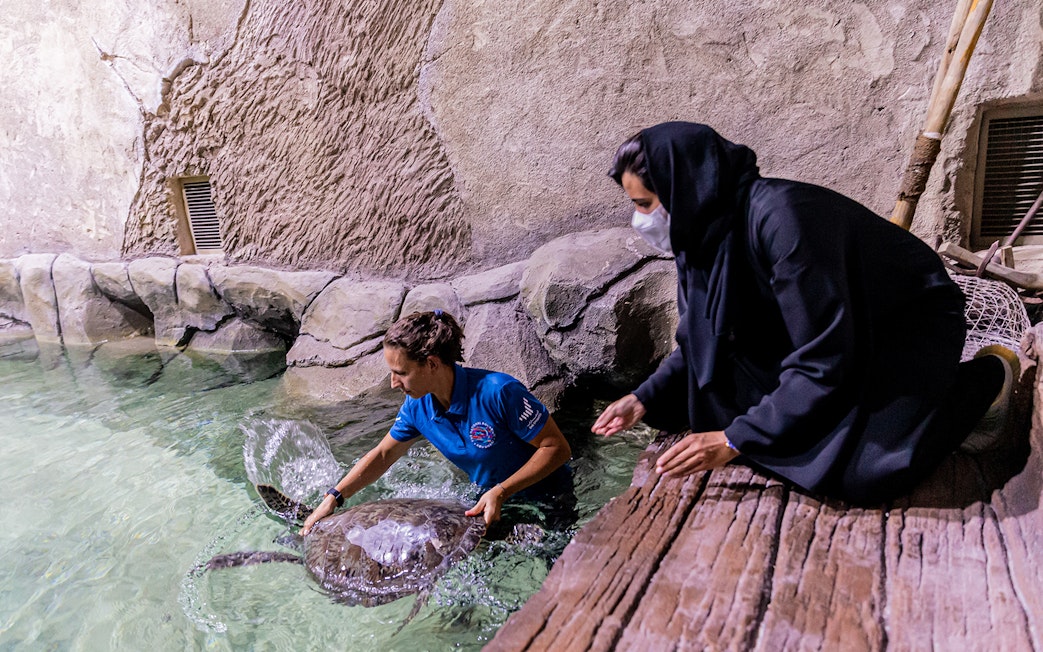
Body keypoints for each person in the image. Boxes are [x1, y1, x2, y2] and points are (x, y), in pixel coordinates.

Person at [592, 121, 1013, 505]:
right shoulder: (702, 234)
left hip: (900, 327)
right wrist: (643, 397)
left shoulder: (784, 221)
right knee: (707, 399)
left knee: (868, 474)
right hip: (831, 328)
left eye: (645, 204)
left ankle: (987, 378)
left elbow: (824, 358)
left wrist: (734, 439)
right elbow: (700, 337)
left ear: (684, 188)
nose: (640, 219)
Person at [301, 309, 573, 534]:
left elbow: (557, 448)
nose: (393, 383)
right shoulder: (417, 406)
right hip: (487, 501)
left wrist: (501, 491)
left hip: (546, 500)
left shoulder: (499, 392)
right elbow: (384, 454)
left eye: (401, 373)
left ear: (431, 364)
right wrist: (334, 497)